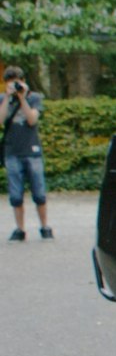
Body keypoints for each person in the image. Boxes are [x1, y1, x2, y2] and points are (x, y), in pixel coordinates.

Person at [3, 65, 50, 241]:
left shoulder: (34, 98)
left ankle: (44, 226)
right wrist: (7, 98)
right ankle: (19, 229)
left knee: (39, 193)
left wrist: (22, 99)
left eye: (17, 83)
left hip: (32, 151)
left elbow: (32, 119)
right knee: (16, 195)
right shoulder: (3, 99)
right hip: (12, 152)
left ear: (23, 82)